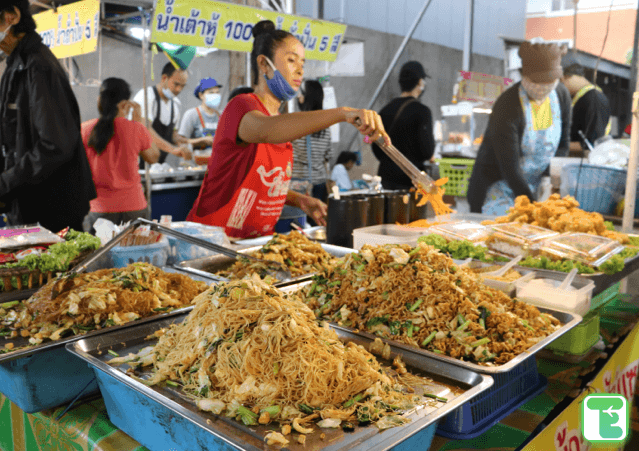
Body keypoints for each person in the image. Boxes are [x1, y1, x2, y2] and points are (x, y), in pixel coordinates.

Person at [187, 20, 389, 239]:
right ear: (264, 64)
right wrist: (342, 113)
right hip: (212, 240)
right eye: (291, 60)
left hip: (255, 244)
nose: (300, 69)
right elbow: (267, 130)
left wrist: (301, 200)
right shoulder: (242, 107)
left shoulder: (281, 121)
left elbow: (263, 184)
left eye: (303, 62)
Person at [0, 0, 96, 232]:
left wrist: (6, 182)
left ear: (11, 16)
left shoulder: (38, 66)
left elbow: (55, 144)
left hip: (51, 210)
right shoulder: (16, 64)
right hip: (27, 204)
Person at [467, 42, 571, 215]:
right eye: (537, 81)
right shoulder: (508, 105)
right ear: (524, 75)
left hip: (535, 186)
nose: (543, 87)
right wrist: (532, 208)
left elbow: (563, 144)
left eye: (550, 81)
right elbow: (510, 168)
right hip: (499, 187)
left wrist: (548, 181)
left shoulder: (561, 96)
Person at [81, 78, 159, 233]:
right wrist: (141, 123)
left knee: (100, 256)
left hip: (99, 210)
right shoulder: (136, 129)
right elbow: (153, 157)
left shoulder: (85, 129)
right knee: (136, 256)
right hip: (135, 207)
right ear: (126, 104)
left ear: (99, 100)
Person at [372, 61, 435, 190]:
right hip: (411, 181)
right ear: (420, 83)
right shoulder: (422, 111)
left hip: (386, 177)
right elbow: (427, 151)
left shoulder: (385, 110)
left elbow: (376, 145)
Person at [132, 62, 192, 165]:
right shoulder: (146, 96)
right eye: (176, 84)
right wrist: (172, 149)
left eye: (183, 86)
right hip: (138, 163)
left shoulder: (176, 104)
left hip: (158, 165)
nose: (179, 90)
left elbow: (173, 134)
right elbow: (145, 129)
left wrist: (186, 145)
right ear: (164, 78)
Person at [291, 80, 332, 202]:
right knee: (317, 219)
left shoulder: (293, 123)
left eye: (301, 93)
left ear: (305, 98)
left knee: (298, 220)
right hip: (319, 182)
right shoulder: (325, 126)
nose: (298, 96)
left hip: (297, 183)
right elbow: (327, 156)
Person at [561, 56, 611, 152]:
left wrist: (556, 147)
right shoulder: (581, 97)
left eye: (560, 83)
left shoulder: (594, 99)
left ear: (564, 77)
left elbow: (590, 144)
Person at [178, 77, 222, 150]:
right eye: (211, 92)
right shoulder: (192, 115)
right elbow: (181, 143)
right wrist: (201, 141)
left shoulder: (222, 115)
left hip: (217, 160)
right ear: (201, 95)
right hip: (197, 160)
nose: (215, 95)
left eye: (217, 92)